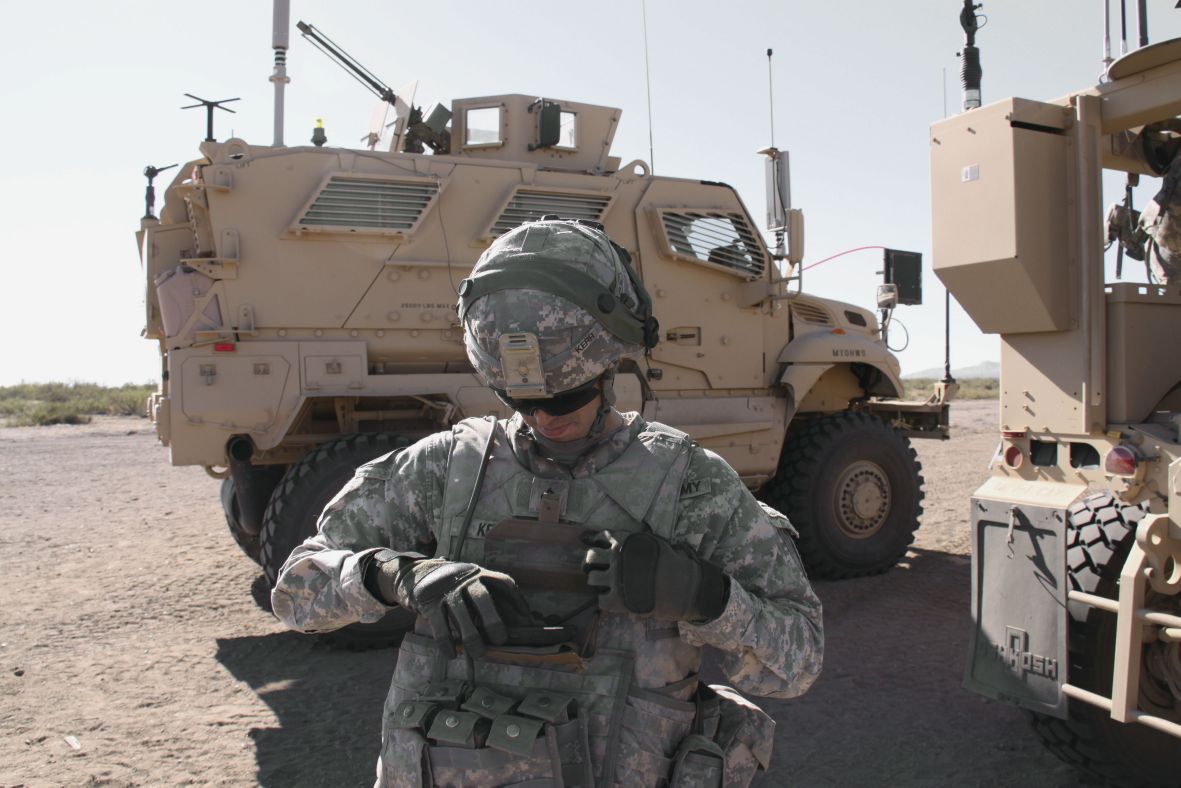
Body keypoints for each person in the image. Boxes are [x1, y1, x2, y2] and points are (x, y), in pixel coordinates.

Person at [271, 217, 823, 787]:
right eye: (521, 400)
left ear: (611, 364)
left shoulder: (690, 486)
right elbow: (295, 593)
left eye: (566, 397)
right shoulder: (445, 469)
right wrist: (388, 574)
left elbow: (798, 661)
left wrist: (704, 597)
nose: (543, 419)